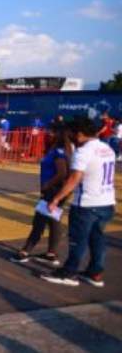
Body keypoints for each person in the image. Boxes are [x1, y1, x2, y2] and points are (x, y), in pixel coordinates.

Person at [41, 117, 117, 287]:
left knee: (78, 239)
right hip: (106, 201)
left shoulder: (83, 152)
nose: (71, 138)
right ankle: (95, 272)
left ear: (80, 134)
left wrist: (56, 199)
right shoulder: (107, 148)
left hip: (87, 203)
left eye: (72, 135)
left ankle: (69, 272)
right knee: (97, 238)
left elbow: (74, 178)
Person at [11, 127, 72, 266]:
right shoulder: (57, 150)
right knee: (53, 221)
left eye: (52, 132)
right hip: (53, 189)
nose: (48, 134)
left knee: (39, 220)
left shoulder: (58, 152)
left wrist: (48, 185)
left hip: (52, 190)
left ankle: (26, 250)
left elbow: (62, 172)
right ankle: (51, 252)